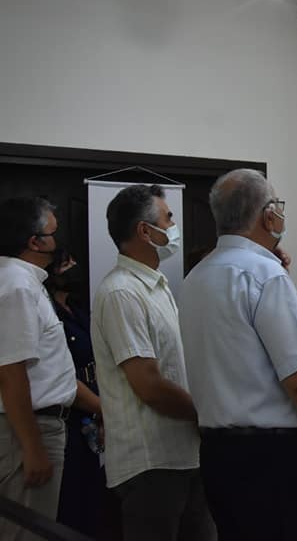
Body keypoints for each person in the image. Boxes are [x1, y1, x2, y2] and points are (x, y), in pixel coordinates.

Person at [179, 168, 297, 541]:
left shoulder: (196, 277)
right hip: (274, 458)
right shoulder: (265, 275)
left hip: (218, 453)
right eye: (278, 205)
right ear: (268, 216)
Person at [90, 184, 214, 541]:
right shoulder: (122, 292)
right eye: (168, 219)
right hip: (151, 462)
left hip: (183, 453)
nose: (174, 227)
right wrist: (206, 414)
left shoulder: (156, 286)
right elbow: (148, 385)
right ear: (145, 231)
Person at [0, 197, 101, 540]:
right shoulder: (16, 285)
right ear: (35, 242)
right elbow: (11, 373)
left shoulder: (28, 282)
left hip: (43, 425)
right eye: (53, 233)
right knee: (26, 531)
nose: (59, 243)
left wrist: (104, 409)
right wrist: (32, 447)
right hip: (28, 430)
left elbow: (51, 372)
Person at [43, 251, 108, 536]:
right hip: (68, 412)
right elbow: (62, 372)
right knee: (70, 502)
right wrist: (103, 409)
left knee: (92, 499)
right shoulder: (48, 313)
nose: (73, 268)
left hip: (90, 413)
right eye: (65, 264)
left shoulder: (77, 310)